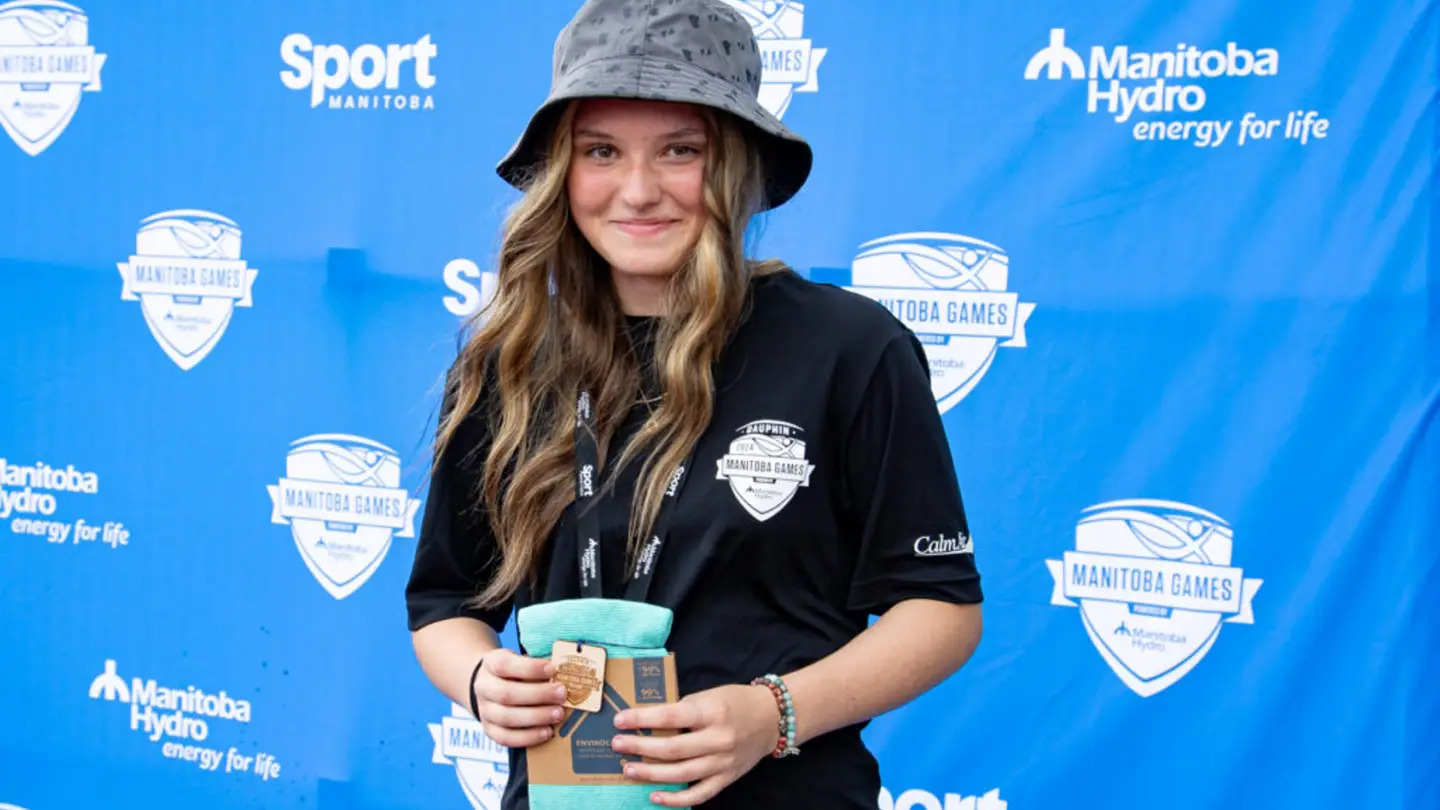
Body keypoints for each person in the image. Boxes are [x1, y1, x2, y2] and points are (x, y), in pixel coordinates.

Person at [405, 0, 984, 807]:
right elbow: (442, 603)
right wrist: (478, 678)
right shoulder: (508, 359)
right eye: (600, 151)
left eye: (681, 151)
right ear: (559, 174)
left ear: (736, 166)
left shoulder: (852, 348)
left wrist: (772, 714)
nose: (638, 191)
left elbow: (941, 610)